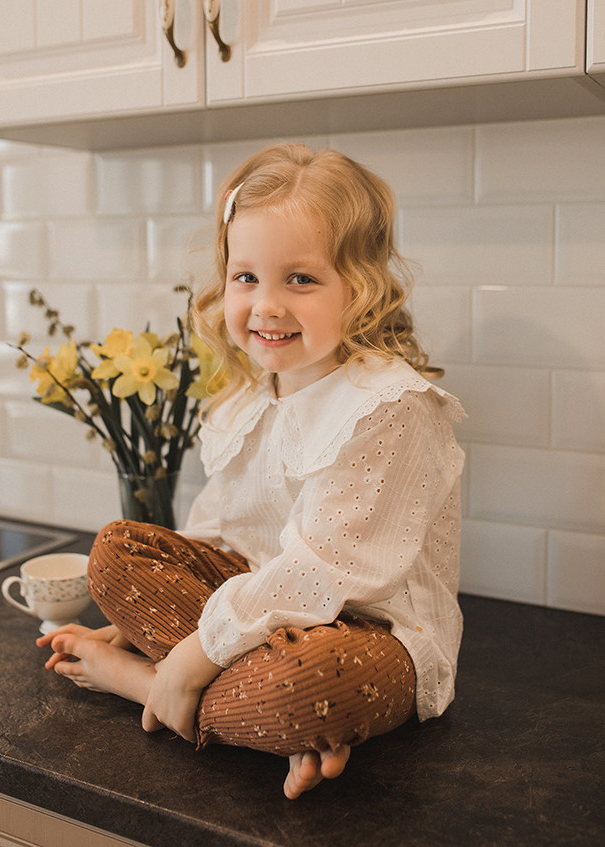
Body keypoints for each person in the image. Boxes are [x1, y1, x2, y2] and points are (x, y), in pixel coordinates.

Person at [37, 144, 466, 800]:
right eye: (246, 278)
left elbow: (323, 567)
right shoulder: (249, 395)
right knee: (118, 551)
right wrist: (127, 623)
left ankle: (151, 688)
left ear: (362, 288)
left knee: (304, 685)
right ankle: (285, 726)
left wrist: (179, 661)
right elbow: (218, 540)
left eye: (299, 279)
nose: (266, 305)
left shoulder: (389, 406)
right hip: (261, 610)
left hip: (372, 636)